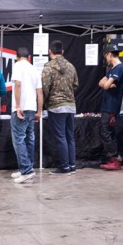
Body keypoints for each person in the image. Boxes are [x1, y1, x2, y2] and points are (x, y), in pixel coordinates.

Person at [42, 40, 79, 175]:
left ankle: (64, 167)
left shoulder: (48, 67)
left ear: (50, 52)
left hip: (56, 106)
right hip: (70, 105)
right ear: (62, 52)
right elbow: (75, 85)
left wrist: (44, 103)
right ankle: (72, 165)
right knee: (70, 137)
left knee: (60, 137)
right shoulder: (71, 66)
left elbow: (45, 88)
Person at [10, 47, 43, 183]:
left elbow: (17, 84)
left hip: (21, 108)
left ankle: (27, 170)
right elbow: (40, 92)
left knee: (18, 139)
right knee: (29, 138)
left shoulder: (17, 66)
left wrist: (18, 106)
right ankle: (27, 167)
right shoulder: (34, 69)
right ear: (29, 57)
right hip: (32, 108)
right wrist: (39, 111)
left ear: (16, 57)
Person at [98, 44, 123, 171]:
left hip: (111, 107)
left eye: (106, 56)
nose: (106, 59)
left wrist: (107, 84)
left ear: (109, 54)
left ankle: (114, 159)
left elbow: (105, 85)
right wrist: (108, 84)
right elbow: (101, 82)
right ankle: (112, 158)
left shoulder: (119, 68)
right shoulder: (112, 69)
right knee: (107, 132)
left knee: (106, 133)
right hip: (107, 106)